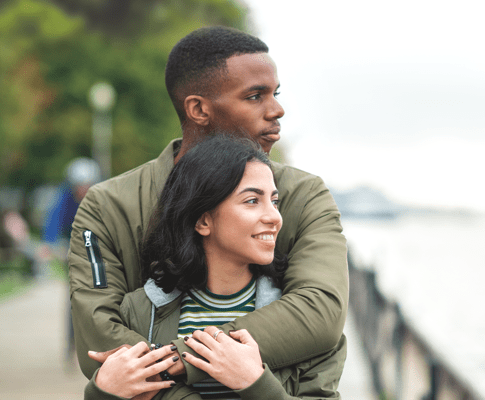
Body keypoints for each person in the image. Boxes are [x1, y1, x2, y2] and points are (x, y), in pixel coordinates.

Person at [69, 26, 348, 394]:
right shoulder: (109, 206)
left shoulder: (304, 195)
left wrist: (181, 357)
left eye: (275, 94)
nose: (277, 110)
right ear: (199, 109)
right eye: (254, 96)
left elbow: (319, 312)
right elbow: (100, 339)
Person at [84, 135, 346, 399]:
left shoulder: (306, 332)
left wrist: (257, 384)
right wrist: (101, 392)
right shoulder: (139, 313)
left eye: (274, 201)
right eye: (252, 201)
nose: (274, 217)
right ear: (203, 220)